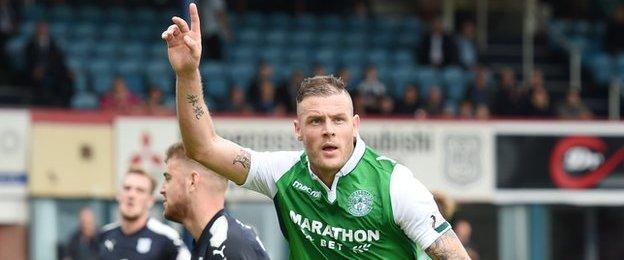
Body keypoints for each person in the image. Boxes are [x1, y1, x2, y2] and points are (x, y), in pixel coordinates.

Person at [161, 4, 470, 259]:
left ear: (355, 126)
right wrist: (188, 73)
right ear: (298, 129)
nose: (328, 131)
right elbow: (203, 147)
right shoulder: (283, 174)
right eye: (316, 121)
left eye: (338, 120)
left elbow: (453, 255)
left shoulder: (395, 185)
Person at [161, 142, 270, 260]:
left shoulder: (227, 246)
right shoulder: (211, 243)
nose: (162, 190)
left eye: (168, 178)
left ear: (192, 181)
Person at [98, 168, 191, 260]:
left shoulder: (167, 237)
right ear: (118, 195)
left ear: (150, 201)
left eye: (140, 190)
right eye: (127, 188)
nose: (131, 195)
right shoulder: (105, 234)